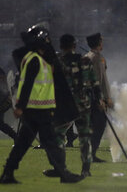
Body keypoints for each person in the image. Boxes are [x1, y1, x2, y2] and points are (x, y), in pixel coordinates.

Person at [0, 27, 84, 184]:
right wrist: (20, 106)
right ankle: (63, 174)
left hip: (36, 110)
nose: (48, 43)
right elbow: (27, 86)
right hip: (37, 110)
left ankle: (7, 174)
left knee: (22, 145)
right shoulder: (35, 60)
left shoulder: (36, 58)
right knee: (51, 143)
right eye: (46, 40)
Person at [42, 34, 102, 177]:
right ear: (74, 45)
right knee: (84, 137)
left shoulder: (59, 62)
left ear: (62, 46)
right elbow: (95, 83)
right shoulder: (85, 61)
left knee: (58, 135)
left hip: (66, 105)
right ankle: (86, 169)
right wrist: (99, 100)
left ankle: (59, 167)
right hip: (83, 105)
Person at [84, 33, 113, 163]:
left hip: (93, 97)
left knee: (95, 126)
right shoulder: (95, 59)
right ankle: (90, 154)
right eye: (101, 41)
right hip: (95, 98)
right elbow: (97, 81)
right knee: (99, 125)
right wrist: (103, 98)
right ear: (98, 42)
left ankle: (90, 153)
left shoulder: (93, 57)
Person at [0, 67, 16, 139]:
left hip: (5, 100)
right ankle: (16, 137)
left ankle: (17, 137)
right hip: (5, 99)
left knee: (0, 124)